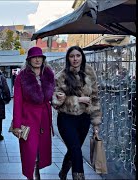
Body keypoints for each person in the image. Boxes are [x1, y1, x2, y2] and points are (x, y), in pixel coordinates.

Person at [51, 46, 102, 180]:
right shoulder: (61, 76)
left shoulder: (90, 73)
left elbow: (95, 98)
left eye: (78, 55)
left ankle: (63, 172)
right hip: (66, 119)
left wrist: (96, 123)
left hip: (84, 119)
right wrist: (78, 99)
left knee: (74, 149)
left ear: (82, 57)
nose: (75, 59)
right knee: (76, 151)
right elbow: (55, 102)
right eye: (72, 56)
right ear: (68, 58)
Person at [12, 46, 55, 180]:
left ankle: (37, 172)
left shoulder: (49, 73)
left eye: (39, 57)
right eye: (34, 57)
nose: (37, 60)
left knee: (41, 148)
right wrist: (17, 125)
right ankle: (31, 173)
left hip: (44, 117)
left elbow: (53, 95)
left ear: (43, 59)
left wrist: (58, 98)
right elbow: (17, 101)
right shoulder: (22, 76)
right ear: (29, 60)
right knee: (30, 149)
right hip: (28, 117)